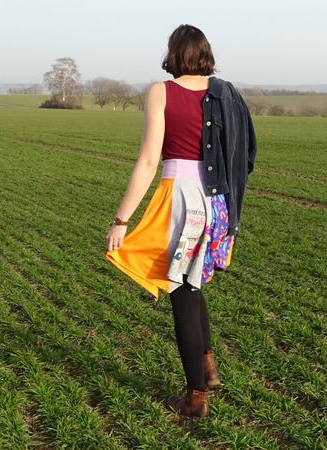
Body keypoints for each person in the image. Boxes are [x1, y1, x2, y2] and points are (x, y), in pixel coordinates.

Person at [104, 24, 257, 418]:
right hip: (219, 203)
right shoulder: (228, 93)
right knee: (193, 282)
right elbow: (247, 155)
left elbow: (148, 161)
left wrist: (121, 219)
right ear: (205, 53)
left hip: (181, 201)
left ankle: (196, 397)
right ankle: (207, 365)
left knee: (182, 291)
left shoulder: (161, 91)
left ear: (173, 54)